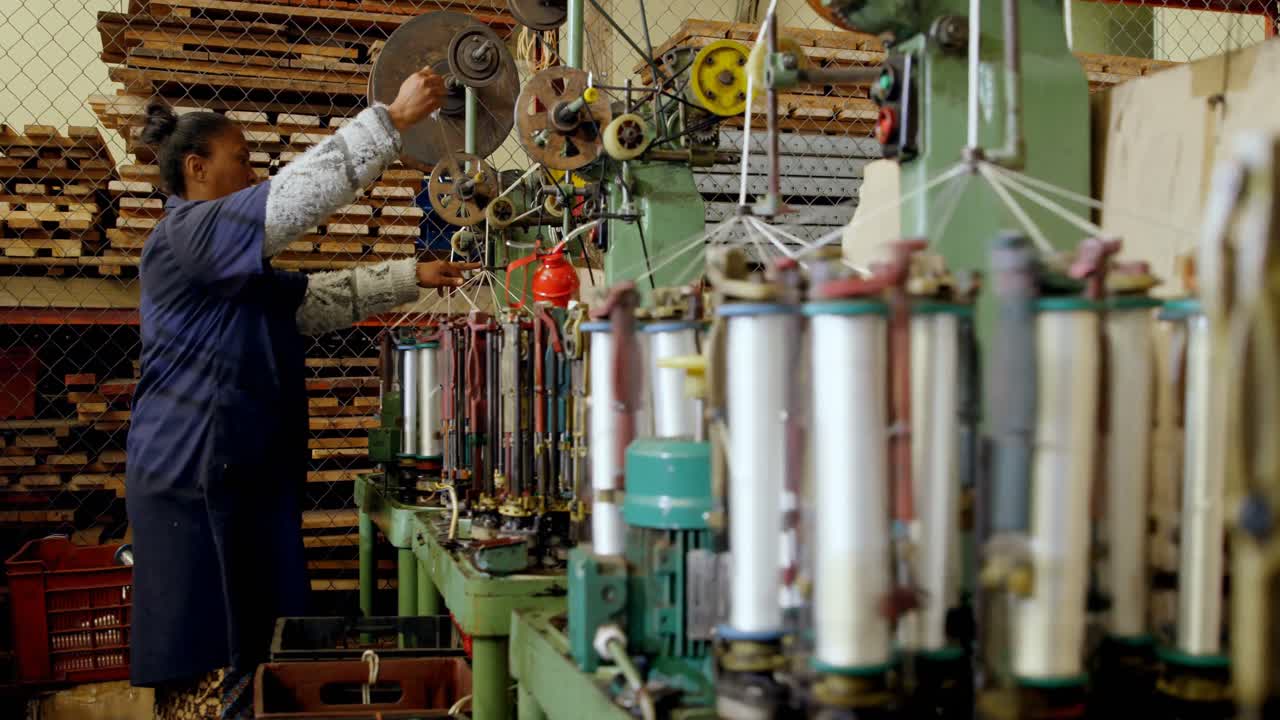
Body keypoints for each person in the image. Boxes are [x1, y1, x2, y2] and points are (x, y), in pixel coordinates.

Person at [124, 65, 474, 719]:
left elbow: (312, 302)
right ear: (196, 168)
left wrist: (409, 275)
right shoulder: (187, 236)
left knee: (253, 647)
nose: (252, 176)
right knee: (213, 652)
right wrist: (389, 121)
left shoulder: (221, 262)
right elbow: (290, 201)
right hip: (195, 477)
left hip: (233, 473)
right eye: (241, 160)